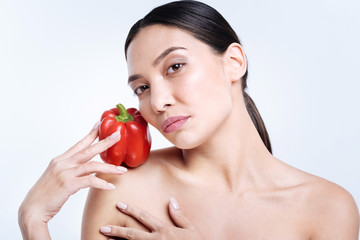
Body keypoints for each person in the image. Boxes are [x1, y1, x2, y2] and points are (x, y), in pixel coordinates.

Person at [19, 1, 359, 239]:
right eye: (141, 87)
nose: (158, 101)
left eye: (175, 67)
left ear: (234, 62)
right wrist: (34, 222)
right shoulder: (125, 188)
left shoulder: (326, 207)